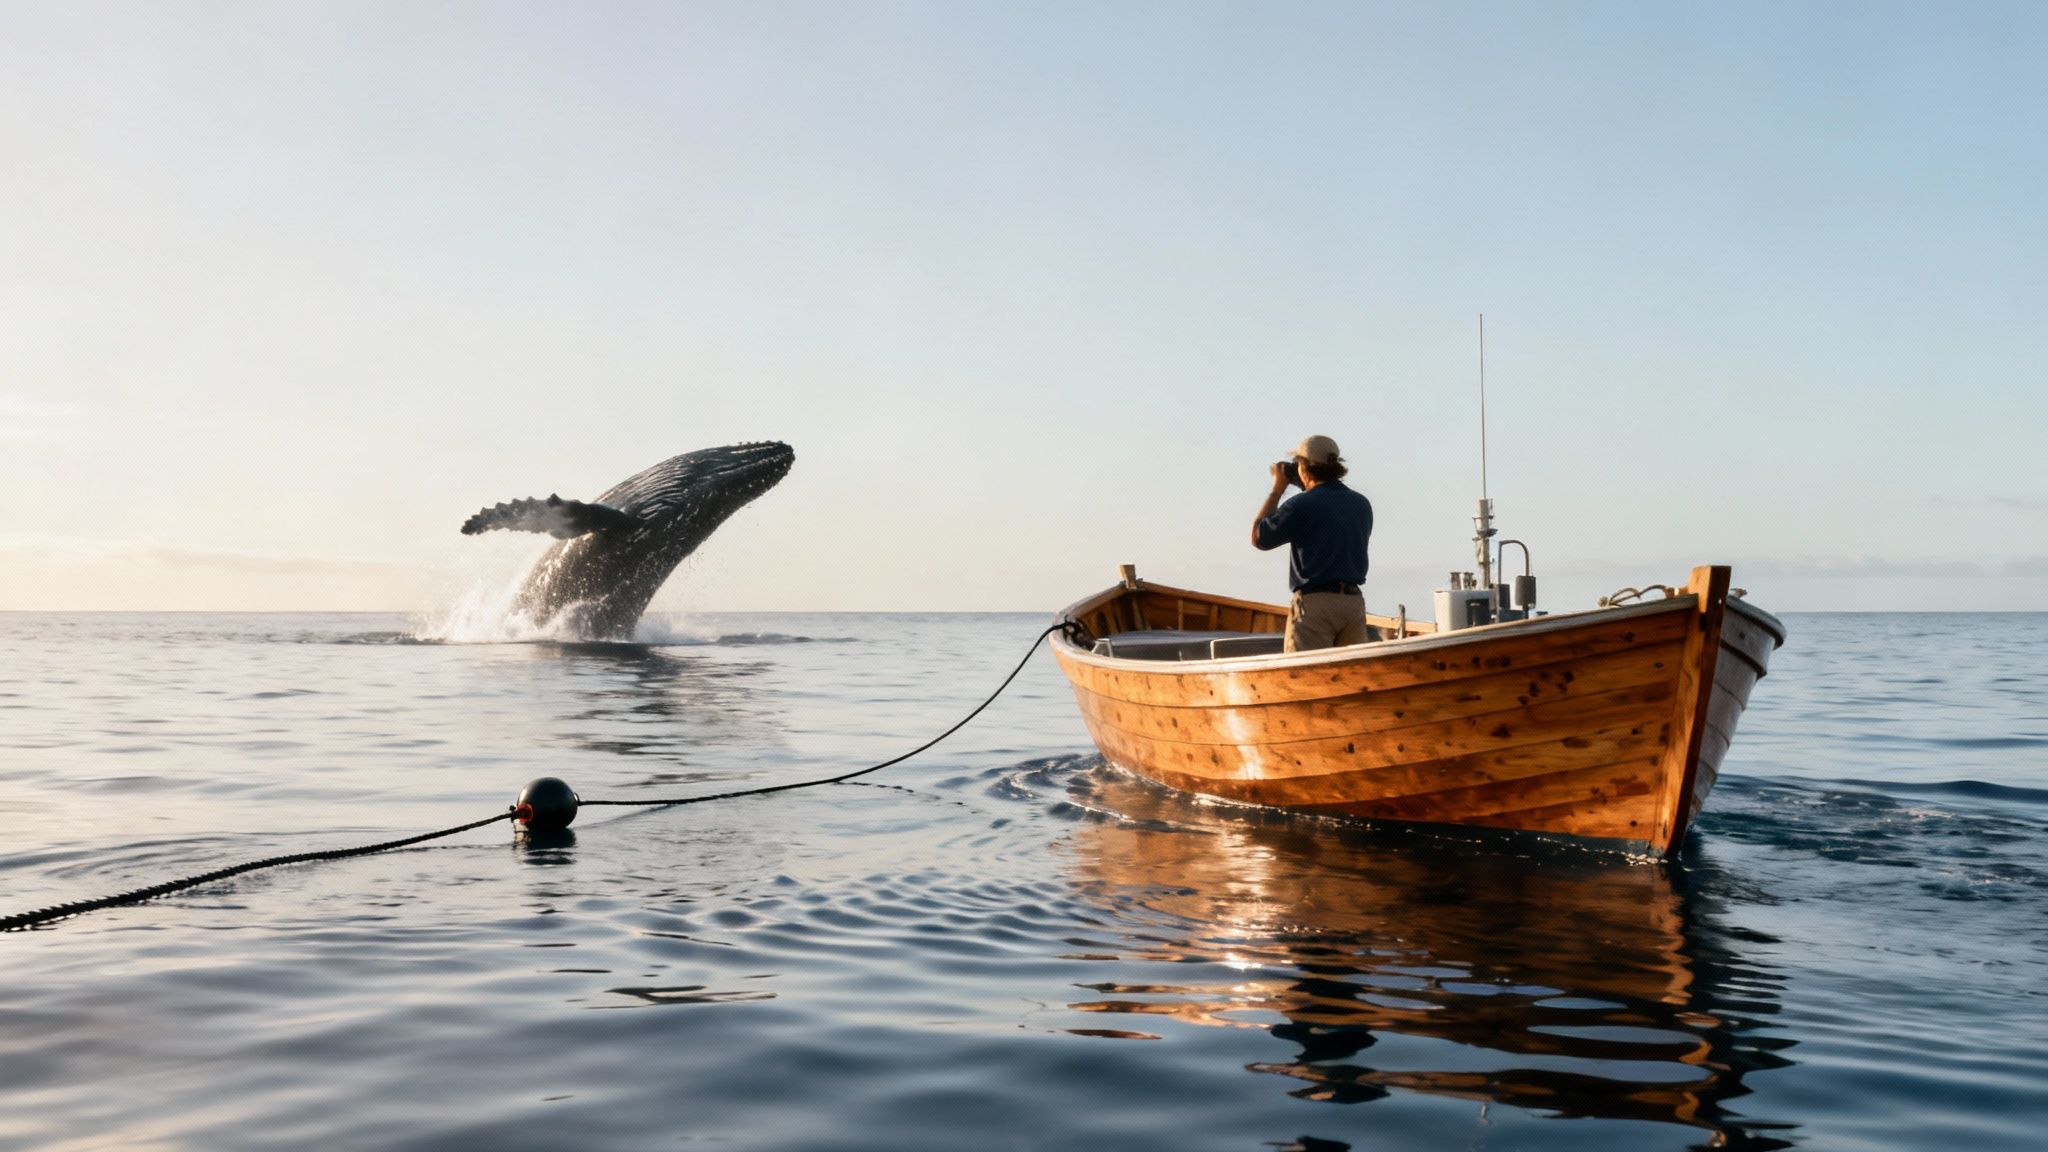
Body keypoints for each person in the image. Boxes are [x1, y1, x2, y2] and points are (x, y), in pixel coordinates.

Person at [1251, 434, 1374, 652]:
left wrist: (1277, 490)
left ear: (1303, 467)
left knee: (1305, 671)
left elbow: (1260, 537)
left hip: (1315, 604)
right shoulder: (1361, 504)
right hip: (1352, 604)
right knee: (1349, 671)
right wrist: (1306, 484)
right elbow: (1326, 505)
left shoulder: (1300, 505)